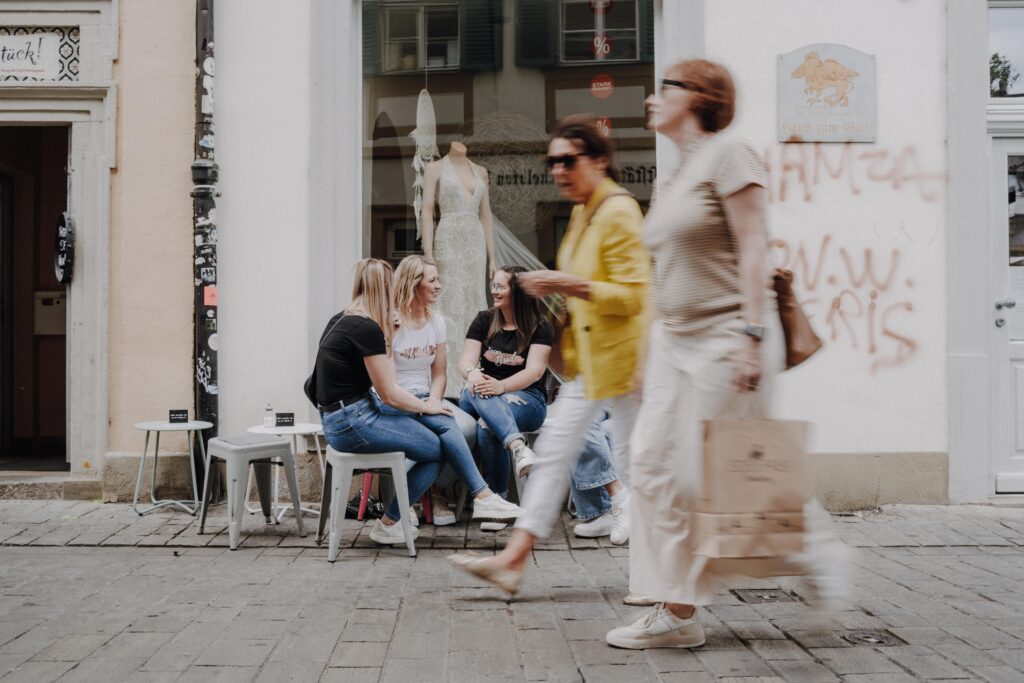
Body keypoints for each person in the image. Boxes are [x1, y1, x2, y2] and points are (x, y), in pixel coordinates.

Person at [604, 59, 810, 650]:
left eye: (663, 87)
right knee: (649, 464)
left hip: (724, 335)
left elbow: (752, 248)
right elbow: (661, 272)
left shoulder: (729, 154)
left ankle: (809, 559)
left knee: (712, 476)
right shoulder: (676, 174)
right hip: (674, 339)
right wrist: (648, 353)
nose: (650, 97)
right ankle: (677, 611)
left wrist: (751, 336)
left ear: (697, 97)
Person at [449, 115, 649, 592]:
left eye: (568, 160)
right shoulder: (583, 212)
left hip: (623, 364)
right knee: (556, 452)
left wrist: (560, 283)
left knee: (636, 467)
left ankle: (657, 574)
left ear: (598, 161)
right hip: (591, 366)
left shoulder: (618, 211)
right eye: (551, 161)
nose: (557, 170)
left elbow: (634, 297)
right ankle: (514, 560)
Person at [314, 258, 450, 546]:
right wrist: (428, 406)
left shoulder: (339, 318)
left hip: (336, 417)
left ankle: (393, 519)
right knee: (436, 449)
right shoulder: (366, 328)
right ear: (384, 289)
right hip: (355, 422)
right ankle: (389, 522)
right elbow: (389, 392)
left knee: (425, 435)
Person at [385, 255, 522, 523]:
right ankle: (408, 502)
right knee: (438, 433)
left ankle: (438, 492)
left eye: (438, 280)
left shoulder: (436, 322)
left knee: (468, 427)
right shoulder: (390, 322)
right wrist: (424, 406)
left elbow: (439, 373)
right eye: (432, 280)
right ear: (413, 284)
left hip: (428, 397)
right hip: (396, 402)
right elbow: (387, 384)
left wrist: (435, 399)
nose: (438, 286)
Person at [456, 266, 552, 498]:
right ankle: (518, 446)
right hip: (480, 392)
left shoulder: (540, 326)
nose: (495, 292)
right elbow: (466, 360)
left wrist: (502, 386)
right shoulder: (484, 319)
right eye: (494, 286)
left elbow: (535, 372)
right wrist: (472, 373)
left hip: (527, 398)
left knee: (487, 427)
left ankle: (498, 498)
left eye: (501, 287)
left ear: (518, 292)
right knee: (476, 388)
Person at [420, 141, 497, 398]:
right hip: (448, 240)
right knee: (446, 302)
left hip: (474, 242)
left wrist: (492, 258)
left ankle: (472, 374)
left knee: (473, 303)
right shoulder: (435, 168)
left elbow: (486, 216)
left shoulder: (481, 171)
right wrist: (428, 253)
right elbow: (427, 210)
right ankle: (445, 380)